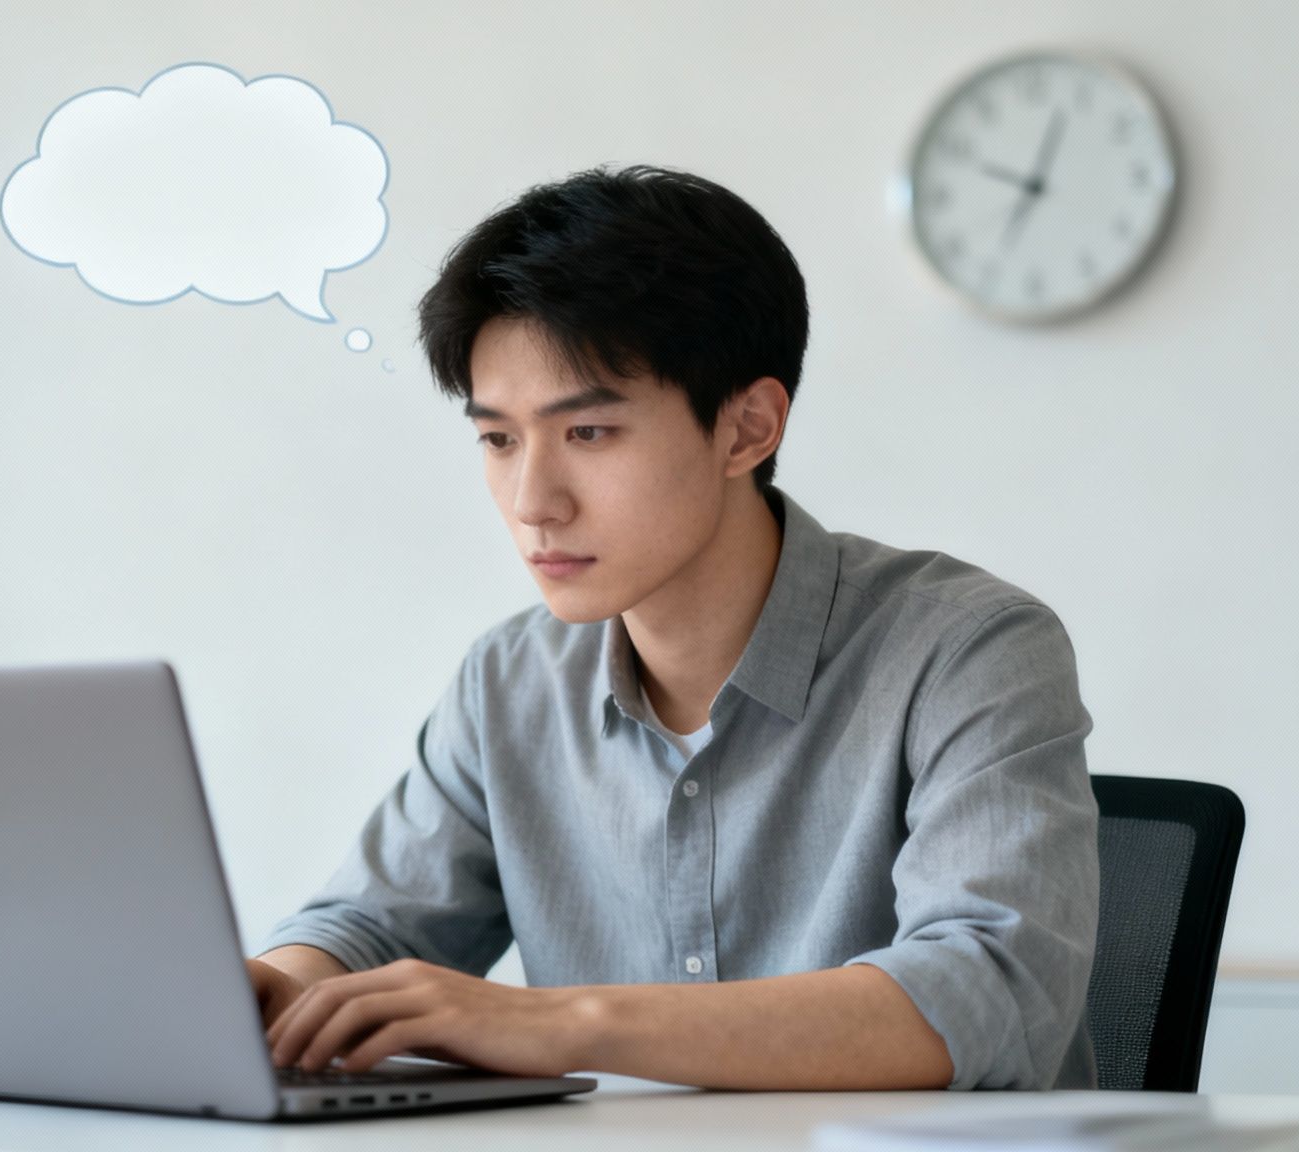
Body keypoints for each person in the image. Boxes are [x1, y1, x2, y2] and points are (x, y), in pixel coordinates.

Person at [250, 164, 1099, 1091]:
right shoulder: (509, 680)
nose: (532, 502)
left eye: (589, 434)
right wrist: (271, 990)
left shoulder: (970, 648)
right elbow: (367, 931)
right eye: (498, 439)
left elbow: (986, 992)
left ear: (747, 430)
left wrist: (567, 1022)